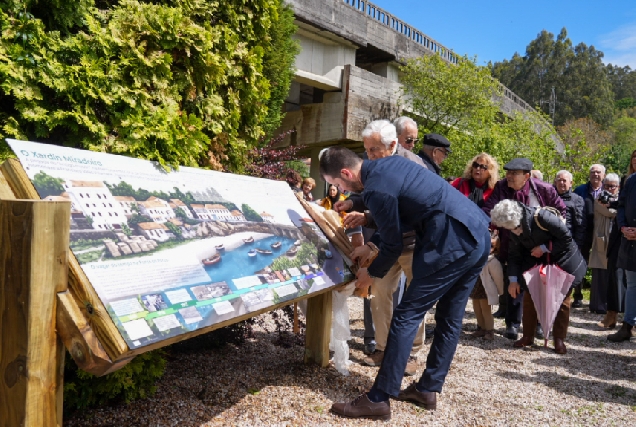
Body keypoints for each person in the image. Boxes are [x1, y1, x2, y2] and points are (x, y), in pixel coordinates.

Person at [321, 146, 490, 419]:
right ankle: (427, 389)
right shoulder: (390, 165)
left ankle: (378, 398)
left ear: (345, 172)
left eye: (337, 184)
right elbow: (396, 201)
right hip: (477, 233)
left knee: (406, 315)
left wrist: (371, 273)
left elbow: (393, 242)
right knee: (449, 318)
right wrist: (355, 203)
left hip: (452, 240)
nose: (340, 189)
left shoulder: (377, 189)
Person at [334, 120, 426, 376]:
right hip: (387, 241)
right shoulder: (374, 165)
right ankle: (384, 348)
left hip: (413, 242)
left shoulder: (413, 164)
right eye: (367, 150)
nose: (371, 156)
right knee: (380, 293)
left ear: (393, 144)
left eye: (375, 149)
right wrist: (353, 203)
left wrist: (370, 229)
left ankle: (411, 353)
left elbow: (404, 209)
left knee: (414, 299)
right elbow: (369, 193)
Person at [482, 158, 566, 341]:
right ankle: (512, 323)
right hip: (511, 242)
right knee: (514, 280)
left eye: (514, 173)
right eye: (508, 172)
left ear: (527, 176)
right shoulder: (502, 187)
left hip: (540, 246)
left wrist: (548, 244)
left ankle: (538, 325)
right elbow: (489, 209)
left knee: (540, 284)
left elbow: (562, 213)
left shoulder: (544, 190)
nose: (509, 177)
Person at [491, 200, 586, 354]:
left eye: (514, 228)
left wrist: (544, 248)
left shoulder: (542, 217)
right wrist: (513, 281)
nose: (513, 232)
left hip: (562, 261)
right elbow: (514, 255)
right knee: (529, 298)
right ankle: (528, 336)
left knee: (562, 301)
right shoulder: (512, 226)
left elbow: (566, 238)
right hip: (535, 263)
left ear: (517, 219)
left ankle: (559, 339)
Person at [607, 170, 636, 342]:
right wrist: (623, 227)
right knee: (632, 284)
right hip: (629, 241)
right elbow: (622, 205)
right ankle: (627, 326)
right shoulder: (631, 180)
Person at [573, 164, 607, 308]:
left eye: (598, 172)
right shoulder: (580, 190)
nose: (595, 175)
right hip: (584, 232)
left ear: (603, 175)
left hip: (602, 232)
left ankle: (600, 297)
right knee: (581, 262)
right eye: (593, 172)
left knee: (602, 263)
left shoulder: (608, 189)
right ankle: (578, 296)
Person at [588, 174, 620, 315]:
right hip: (602, 240)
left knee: (614, 275)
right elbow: (610, 212)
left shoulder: (621, 199)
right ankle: (598, 305)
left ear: (618, 187)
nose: (610, 189)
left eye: (613, 186)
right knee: (600, 275)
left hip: (616, 241)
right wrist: (619, 209)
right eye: (607, 185)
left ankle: (614, 306)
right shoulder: (599, 198)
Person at [470, 231, 504, 340]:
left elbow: (498, 278)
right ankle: (481, 327)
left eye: (492, 246)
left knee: (485, 310)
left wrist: (500, 291)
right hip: (476, 287)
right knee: (477, 308)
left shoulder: (493, 262)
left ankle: (489, 330)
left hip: (486, 290)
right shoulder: (477, 258)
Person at [553, 170, 586, 250]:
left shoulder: (576, 200)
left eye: (564, 180)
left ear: (571, 183)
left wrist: (577, 246)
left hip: (568, 242)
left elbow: (580, 225)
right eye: (559, 180)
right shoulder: (550, 197)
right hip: (551, 242)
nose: (561, 183)